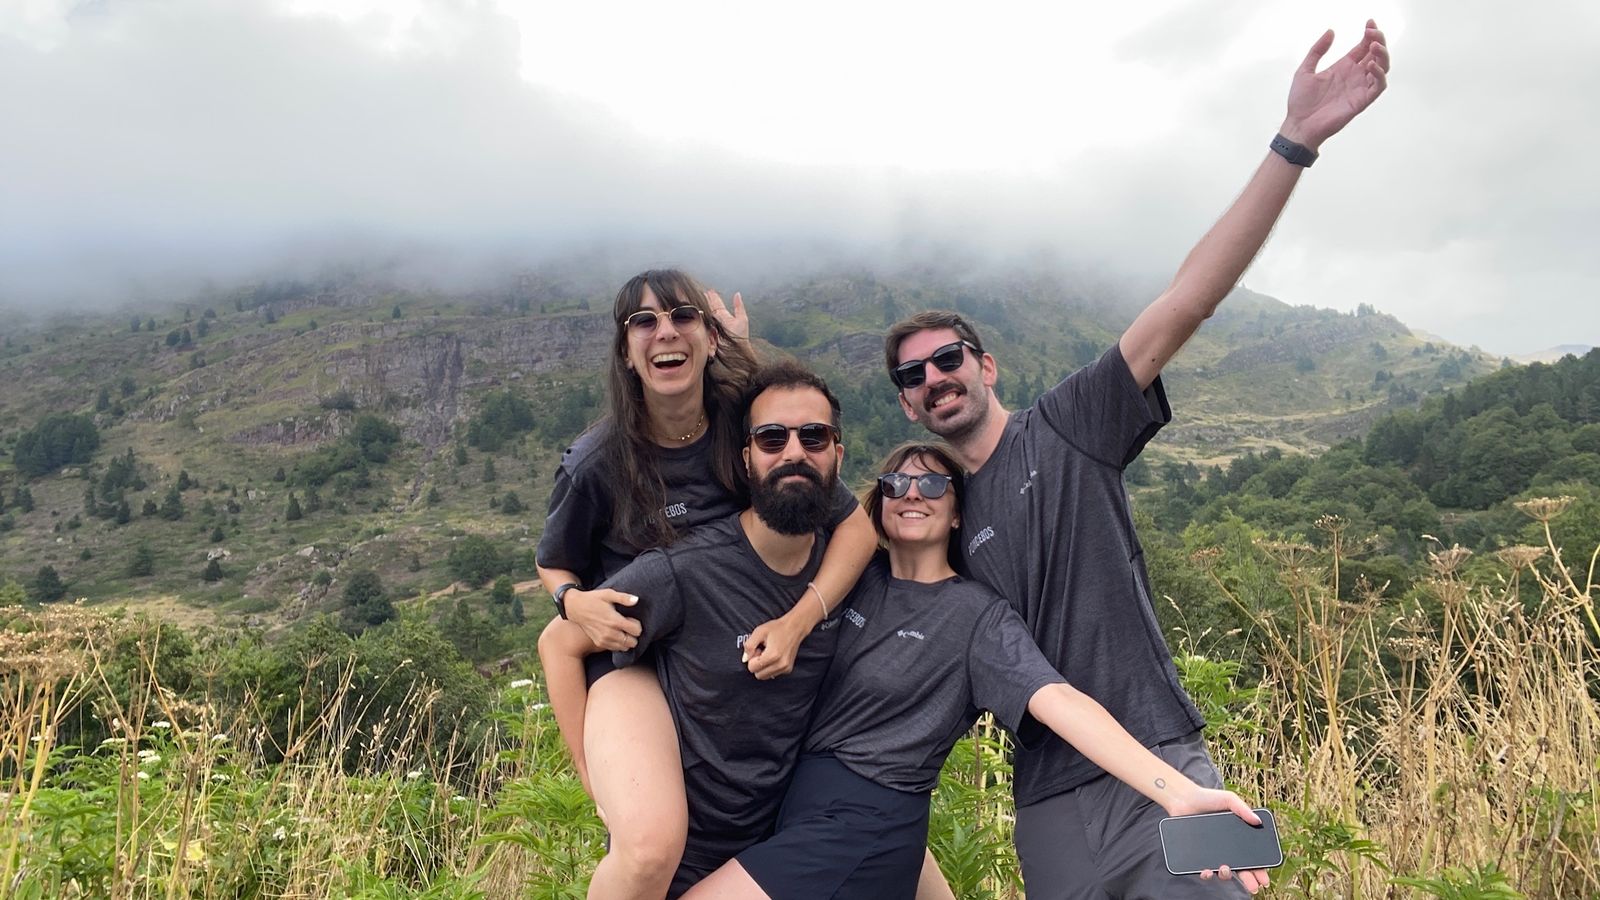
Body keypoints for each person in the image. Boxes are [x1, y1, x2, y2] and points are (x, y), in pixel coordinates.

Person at [881, 22, 1390, 899]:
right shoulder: (932, 517)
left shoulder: (1070, 424)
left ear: (985, 364)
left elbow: (1188, 298)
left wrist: (1294, 141)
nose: (935, 379)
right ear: (904, 402)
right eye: (913, 375)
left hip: (1160, 761)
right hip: (1045, 806)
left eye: (950, 358)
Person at [682, 443, 1263, 899]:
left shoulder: (976, 616)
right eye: (896, 482)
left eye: (933, 483)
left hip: (864, 820)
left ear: (958, 511)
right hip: (788, 807)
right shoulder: (847, 577)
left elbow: (1057, 700)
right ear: (877, 503)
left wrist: (1177, 791)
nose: (913, 492)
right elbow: (774, 481)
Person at [534, 271, 877, 900]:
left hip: (729, 636)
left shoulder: (743, 428)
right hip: (636, 647)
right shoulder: (598, 461)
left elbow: (854, 527)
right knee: (647, 847)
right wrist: (572, 600)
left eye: (682, 316)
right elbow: (554, 571)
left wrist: (801, 619)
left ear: (708, 335)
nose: (664, 331)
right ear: (625, 349)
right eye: (644, 321)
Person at [596, 361, 861, 896]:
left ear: (838, 454)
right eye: (771, 438)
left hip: (776, 858)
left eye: (814, 436)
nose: (793, 452)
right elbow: (560, 640)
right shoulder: (684, 570)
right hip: (675, 865)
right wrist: (594, 785)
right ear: (747, 459)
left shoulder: (853, 570)